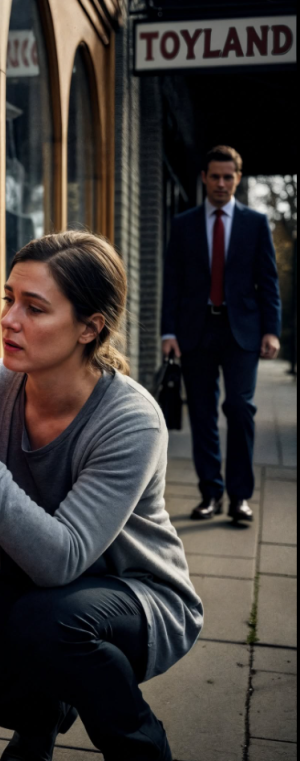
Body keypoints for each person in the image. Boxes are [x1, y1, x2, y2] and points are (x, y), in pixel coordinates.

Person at [0, 231, 203, 761]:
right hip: (32, 594)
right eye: (9, 299)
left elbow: (59, 560)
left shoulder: (130, 419)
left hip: (138, 597)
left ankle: (141, 746)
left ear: (90, 327)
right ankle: (43, 713)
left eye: (35, 308)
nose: (10, 319)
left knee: (49, 624)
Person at [161, 146, 281, 524]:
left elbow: (268, 281)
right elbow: (173, 283)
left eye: (228, 177)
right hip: (196, 330)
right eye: (215, 176)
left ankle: (239, 498)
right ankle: (210, 493)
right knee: (202, 413)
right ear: (204, 178)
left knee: (241, 409)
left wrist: (271, 330)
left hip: (241, 331)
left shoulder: (255, 223)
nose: (221, 183)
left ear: (238, 179)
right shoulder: (183, 224)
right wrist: (168, 331)